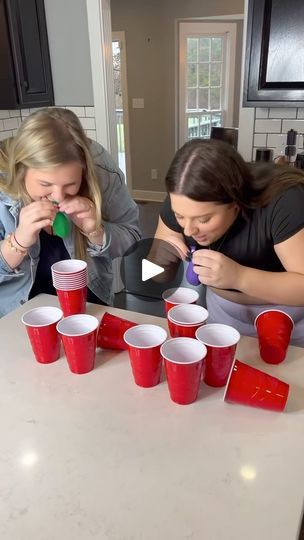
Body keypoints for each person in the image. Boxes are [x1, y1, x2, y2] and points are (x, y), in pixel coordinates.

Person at [154, 138, 304, 346]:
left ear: (235, 203)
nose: (188, 230)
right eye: (180, 216)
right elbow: (151, 274)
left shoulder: (284, 201)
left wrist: (239, 277)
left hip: (289, 318)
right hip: (223, 314)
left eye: (204, 219)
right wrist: (160, 261)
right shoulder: (182, 198)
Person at [0, 107, 141, 317]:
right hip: (18, 313)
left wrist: (97, 231)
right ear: (21, 171)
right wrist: (18, 243)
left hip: (89, 306)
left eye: (70, 184)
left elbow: (133, 241)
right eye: (45, 184)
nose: (58, 196)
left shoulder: (102, 173)